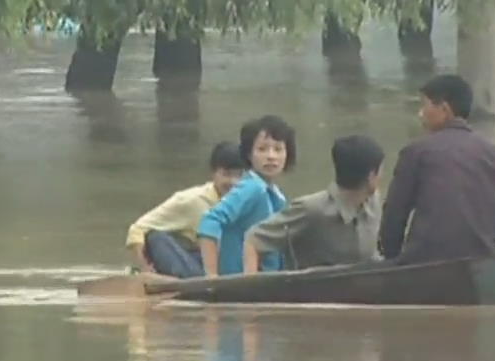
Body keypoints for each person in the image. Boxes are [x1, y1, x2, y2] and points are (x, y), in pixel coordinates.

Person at [378, 74, 495, 264]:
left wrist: (392, 258)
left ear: (444, 109)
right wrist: (482, 235)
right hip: (481, 262)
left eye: (425, 106)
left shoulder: (416, 153)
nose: (420, 114)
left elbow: (394, 216)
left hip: (423, 264)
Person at [243, 134, 384, 273]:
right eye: (381, 170)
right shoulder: (311, 209)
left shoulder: (372, 203)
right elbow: (254, 239)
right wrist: (252, 289)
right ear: (371, 176)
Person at [124, 141, 247, 277]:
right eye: (227, 174)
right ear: (214, 173)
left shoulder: (249, 201)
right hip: (190, 266)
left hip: (218, 263)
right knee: (156, 237)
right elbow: (137, 229)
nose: (234, 182)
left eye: (239, 175)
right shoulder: (191, 200)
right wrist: (145, 268)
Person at [198, 115, 296, 276]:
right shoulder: (252, 187)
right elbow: (210, 221)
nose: (271, 156)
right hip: (240, 282)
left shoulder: (276, 194)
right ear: (249, 155)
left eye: (278, 149)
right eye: (262, 149)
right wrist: (212, 277)